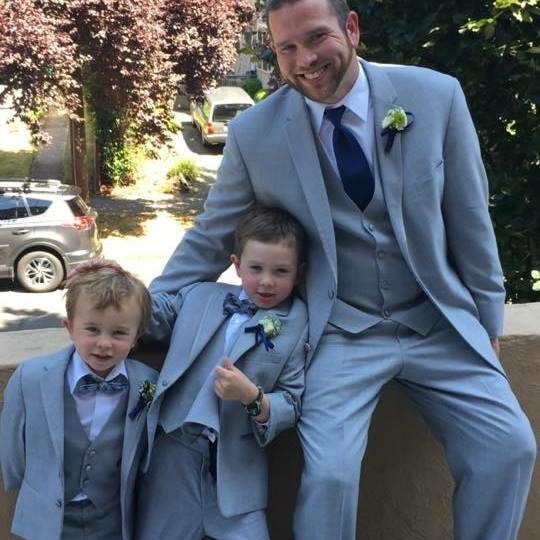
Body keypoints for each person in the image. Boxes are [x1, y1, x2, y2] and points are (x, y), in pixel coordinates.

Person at [148, 0, 537, 538]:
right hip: (339, 330)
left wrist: (487, 321)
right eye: (287, 48)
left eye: (316, 38)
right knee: (330, 475)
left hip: (438, 322)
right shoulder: (254, 133)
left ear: (351, 28)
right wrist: (139, 308)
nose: (305, 59)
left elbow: (470, 219)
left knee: (510, 448)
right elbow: (212, 236)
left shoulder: (436, 96)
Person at [135, 205, 308, 540]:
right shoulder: (201, 295)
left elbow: (292, 400)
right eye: (255, 268)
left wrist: (252, 397)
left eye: (281, 271)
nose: (267, 281)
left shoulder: (297, 322)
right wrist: (117, 285)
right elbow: (150, 315)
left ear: (299, 273)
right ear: (236, 264)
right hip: (173, 456)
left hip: (235, 471)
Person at [0, 264, 158, 540]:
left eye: (119, 333)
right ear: (69, 327)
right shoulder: (31, 378)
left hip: (113, 519)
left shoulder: (148, 383)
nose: (104, 343)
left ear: (137, 336)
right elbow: (12, 450)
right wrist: (36, 488)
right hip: (47, 519)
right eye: (92, 329)